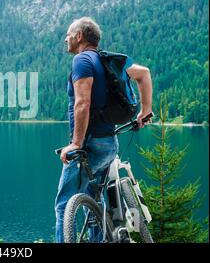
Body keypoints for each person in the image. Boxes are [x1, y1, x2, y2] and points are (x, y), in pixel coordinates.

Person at [54, 17, 153, 243]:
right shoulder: (108, 61)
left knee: (63, 205)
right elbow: (144, 74)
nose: (65, 38)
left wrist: (76, 144)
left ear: (79, 36)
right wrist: (145, 111)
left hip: (90, 146)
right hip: (109, 144)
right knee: (95, 200)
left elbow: (82, 104)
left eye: (68, 34)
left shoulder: (82, 61)